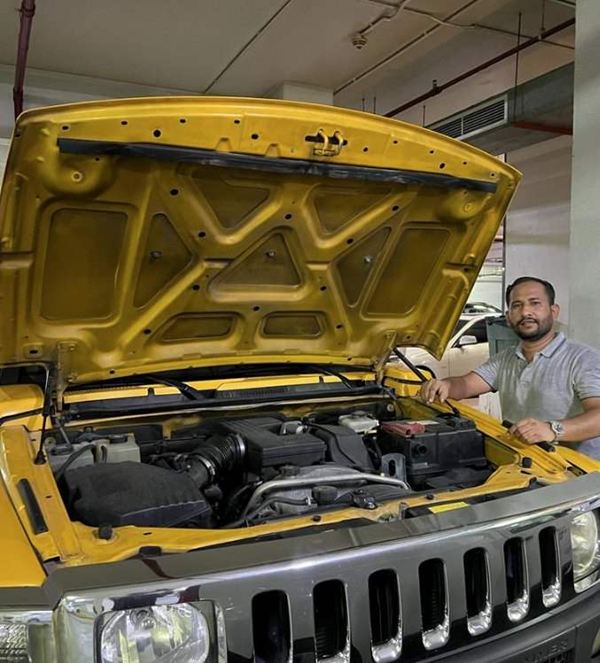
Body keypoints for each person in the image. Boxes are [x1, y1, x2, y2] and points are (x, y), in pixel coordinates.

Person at [420, 276, 600, 458]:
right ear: (508, 317)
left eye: (535, 303)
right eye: (517, 305)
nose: (525, 312)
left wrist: (552, 429)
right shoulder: (505, 359)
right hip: (525, 462)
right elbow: (465, 385)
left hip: (578, 470)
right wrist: (445, 385)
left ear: (553, 312)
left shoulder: (583, 359)